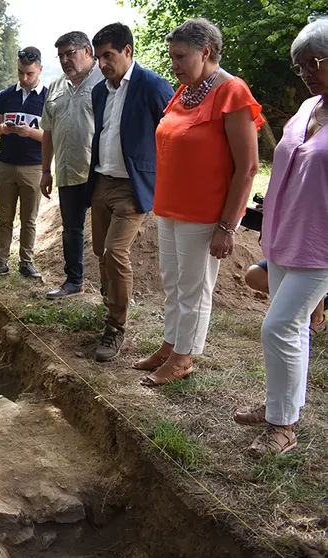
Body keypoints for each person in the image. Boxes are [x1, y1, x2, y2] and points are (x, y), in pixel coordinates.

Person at [136, 18, 265, 386]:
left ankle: (183, 358)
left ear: (205, 52)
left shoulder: (232, 91)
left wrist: (228, 225)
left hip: (204, 212)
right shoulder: (185, 91)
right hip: (170, 206)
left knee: (194, 287)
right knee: (173, 282)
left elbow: (248, 166)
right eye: (172, 57)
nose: (173, 65)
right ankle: (170, 345)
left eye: (180, 57)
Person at [234, 17, 328, 456]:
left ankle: (284, 427)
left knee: (280, 326)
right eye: (299, 65)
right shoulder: (308, 107)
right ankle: (279, 404)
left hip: (321, 246)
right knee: (293, 329)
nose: (305, 72)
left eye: (314, 62)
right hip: (286, 233)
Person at [86, 23, 174, 362]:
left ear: (127, 51)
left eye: (108, 56)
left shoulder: (152, 85)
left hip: (133, 187)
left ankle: (116, 327)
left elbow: (172, 133)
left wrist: (163, 180)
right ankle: (110, 305)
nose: (102, 64)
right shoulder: (100, 91)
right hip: (101, 181)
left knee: (115, 251)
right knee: (100, 251)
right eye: (98, 57)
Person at [41, 32, 104, 298]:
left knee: (105, 234)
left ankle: (109, 289)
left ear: (87, 51)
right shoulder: (55, 86)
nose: (65, 60)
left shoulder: (106, 81)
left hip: (100, 172)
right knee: (71, 229)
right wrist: (46, 170)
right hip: (68, 170)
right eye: (61, 56)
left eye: (70, 53)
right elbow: (47, 131)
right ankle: (74, 280)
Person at [0, 47, 46, 280]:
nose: (24, 78)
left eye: (29, 73)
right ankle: (0, 261)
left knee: (29, 219)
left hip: (33, 167)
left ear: (40, 69)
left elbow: (55, 136)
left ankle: (26, 262)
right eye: (20, 73)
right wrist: (3, 129)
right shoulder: (6, 95)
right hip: (5, 165)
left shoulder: (49, 98)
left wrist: (30, 132)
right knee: (4, 217)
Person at [245, 260, 326, 336]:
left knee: (312, 269)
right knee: (254, 275)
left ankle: (317, 320)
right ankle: (293, 309)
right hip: (290, 255)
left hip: (317, 260)